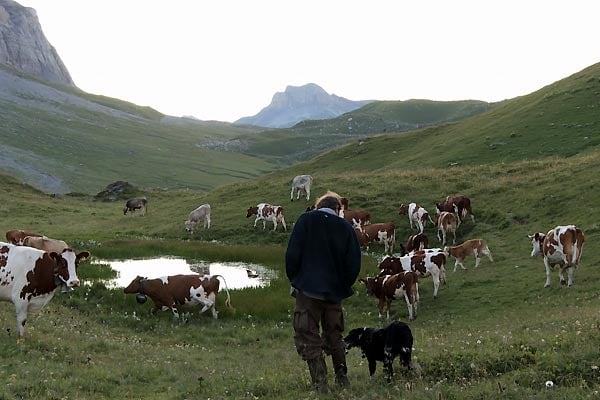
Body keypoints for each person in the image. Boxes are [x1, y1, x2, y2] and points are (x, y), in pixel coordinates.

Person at [285, 191, 362, 394]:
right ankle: (342, 377)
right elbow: (354, 263)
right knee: (334, 333)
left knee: (308, 334)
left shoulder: (306, 220)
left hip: (308, 290)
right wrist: (343, 285)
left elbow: (292, 254)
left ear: (318, 206)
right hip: (334, 292)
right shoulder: (345, 227)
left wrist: (296, 280)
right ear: (338, 209)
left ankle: (321, 384)